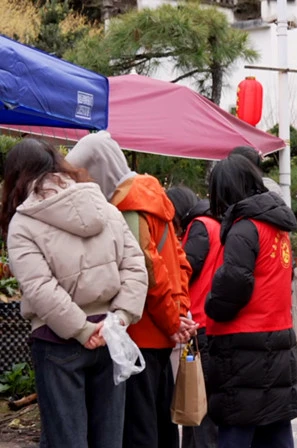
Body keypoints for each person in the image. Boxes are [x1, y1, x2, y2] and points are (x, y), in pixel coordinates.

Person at [1, 139, 148, 448]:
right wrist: (120, 318)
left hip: (58, 342)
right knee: (108, 440)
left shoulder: (23, 223)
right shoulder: (105, 209)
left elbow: (39, 288)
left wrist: (81, 330)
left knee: (65, 440)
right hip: (111, 336)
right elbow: (136, 266)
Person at [66, 132, 196, 448]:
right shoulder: (157, 199)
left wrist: (171, 322)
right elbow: (180, 264)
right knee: (162, 425)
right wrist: (178, 315)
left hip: (139, 336)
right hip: (162, 336)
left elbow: (149, 274)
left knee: (140, 431)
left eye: (83, 176)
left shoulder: (127, 208)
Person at [205, 155, 297, 448]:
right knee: (275, 430)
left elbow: (234, 282)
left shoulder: (244, 228)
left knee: (237, 431)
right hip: (279, 334)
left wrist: (212, 306)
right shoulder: (277, 227)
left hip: (242, 343)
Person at [166, 186, 221, 448]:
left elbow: (186, 268)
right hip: (207, 325)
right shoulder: (213, 224)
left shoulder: (200, 226)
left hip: (199, 326)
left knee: (197, 404)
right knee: (197, 406)